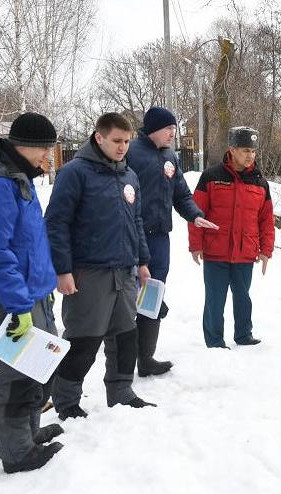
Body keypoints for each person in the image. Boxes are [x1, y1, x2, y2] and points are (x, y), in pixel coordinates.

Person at [0, 112, 64, 473]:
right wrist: (19, 303)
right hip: (8, 301)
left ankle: (29, 434)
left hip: (32, 294)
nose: (48, 159)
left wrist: (45, 286)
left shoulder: (18, 179)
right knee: (16, 376)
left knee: (40, 367)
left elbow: (29, 243)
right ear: (29, 146)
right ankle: (17, 453)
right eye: (46, 150)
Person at [44, 112, 156, 420]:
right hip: (88, 272)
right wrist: (62, 269)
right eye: (117, 141)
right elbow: (56, 223)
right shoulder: (74, 173)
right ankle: (66, 401)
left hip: (125, 271)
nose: (123, 147)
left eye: (127, 141)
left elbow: (136, 221)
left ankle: (121, 392)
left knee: (125, 336)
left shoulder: (129, 175)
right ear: (99, 137)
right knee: (84, 340)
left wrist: (143, 261)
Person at [102, 106, 217, 378]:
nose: (172, 134)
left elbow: (181, 194)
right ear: (154, 129)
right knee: (130, 297)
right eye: (169, 129)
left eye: (174, 130)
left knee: (153, 294)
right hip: (131, 237)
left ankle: (146, 358)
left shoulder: (170, 157)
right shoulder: (132, 152)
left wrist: (195, 216)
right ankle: (123, 366)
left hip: (160, 238)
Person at [189, 126, 274, 349]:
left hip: (246, 251)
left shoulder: (260, 183)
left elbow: (266, 221)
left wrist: (266, 250)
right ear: (232, 150)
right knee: (215, 300)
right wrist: (195, 245)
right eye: (246, 150)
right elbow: (196, 214)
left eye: (254, 151)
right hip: (216, 251)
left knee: (243, 297)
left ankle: (244, 334)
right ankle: (214, 341)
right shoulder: (210, 177)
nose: (251, 156)